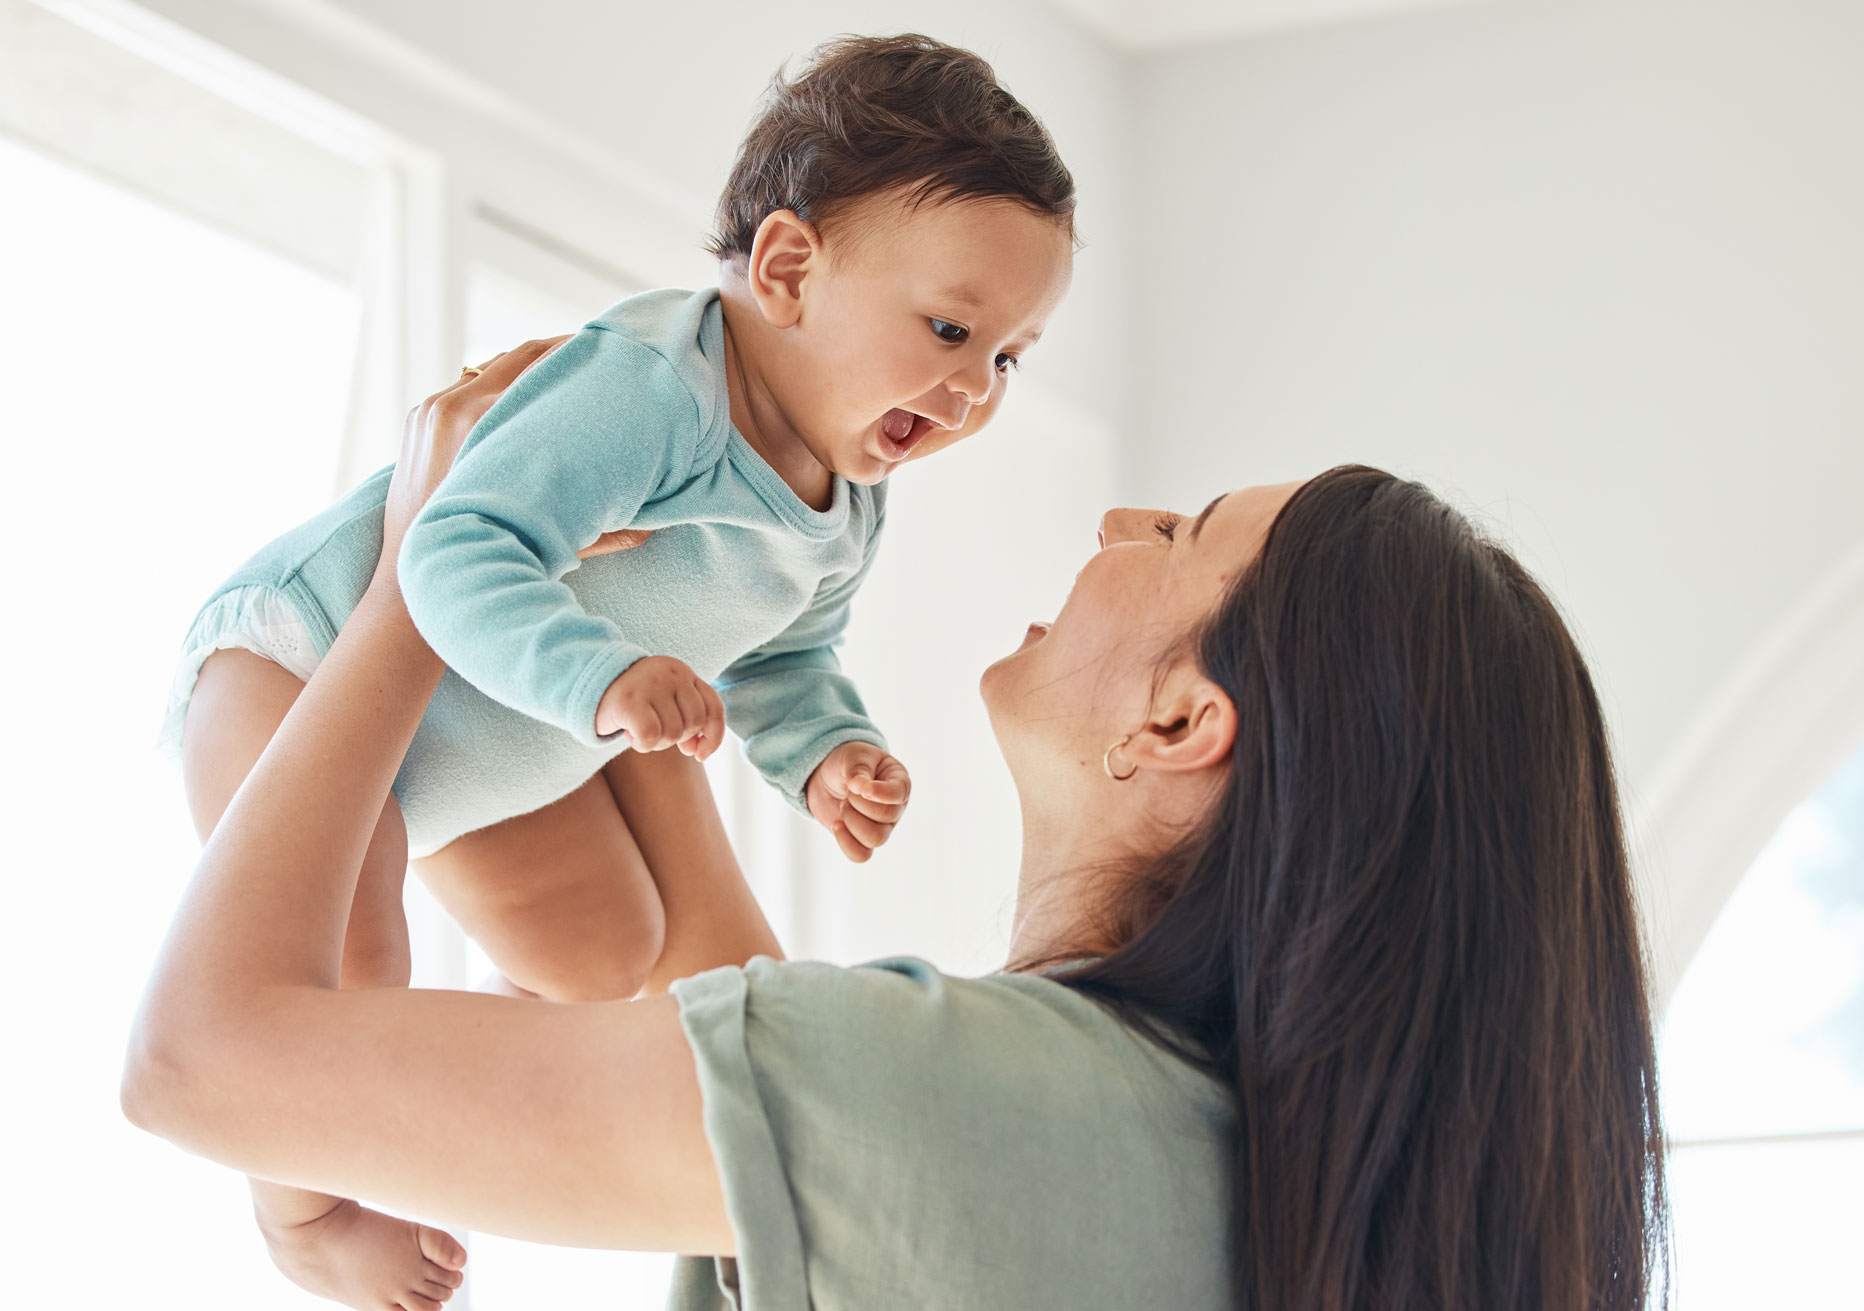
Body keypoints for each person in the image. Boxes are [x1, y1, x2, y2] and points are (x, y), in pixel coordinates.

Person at [124, 345, 1669, 1311]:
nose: (1121, 524)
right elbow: (701, 971)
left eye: (1181, 533)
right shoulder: (1216, 1162)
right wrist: (619, 588)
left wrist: (420, 568)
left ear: (1181, 724)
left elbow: (202, 1061)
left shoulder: (939, 1088)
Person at [155, 33, 1074, 1307]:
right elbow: (453, 546)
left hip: (482, 738)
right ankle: (301, 1216)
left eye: (1007, 358)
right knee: (349, 967)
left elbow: (786, 652)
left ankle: (453, 1101)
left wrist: (822, 753)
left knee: (602, 952)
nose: (973, 390)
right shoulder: (653, 391)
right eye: (951, 330)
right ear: (787, 269)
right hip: (300, 665)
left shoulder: (849, 502)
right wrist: (601, 680)